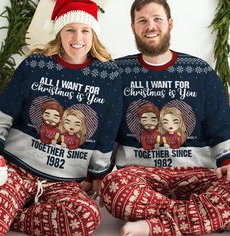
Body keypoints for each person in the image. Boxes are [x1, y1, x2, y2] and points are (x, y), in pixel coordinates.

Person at [98, 0, 230, 235]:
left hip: (197, 175)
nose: (151, 26)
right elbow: (107, 131)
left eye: (157, 19)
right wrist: (94, 174)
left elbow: (221, 125)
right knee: (113, 187)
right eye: (143, 20)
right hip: (140, 176)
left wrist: (227, 164)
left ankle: (153, 226)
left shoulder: (200, 72)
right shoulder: (116, 73)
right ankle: (203, 216)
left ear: (170, 24)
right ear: (133, 27)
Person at [0, 0, 122, 235]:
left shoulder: (109, 75)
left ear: (93, 34)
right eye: (70, 29)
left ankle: (14, 214)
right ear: (59, 32)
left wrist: (97, 176)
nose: (78, 37)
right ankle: (6, 208)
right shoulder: (35, 64)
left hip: (64, 181)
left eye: (85, 30)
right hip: (16, 169)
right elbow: (4, 111)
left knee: (87, 217)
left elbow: (107, 131)